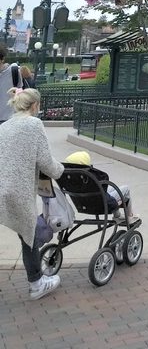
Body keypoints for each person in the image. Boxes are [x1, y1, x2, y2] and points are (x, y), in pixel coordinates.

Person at [0, 87, 65, 300]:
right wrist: (60, 171)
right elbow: (46, 162)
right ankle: (37, 283)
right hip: (18, 191)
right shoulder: (34, 124)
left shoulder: (4, 126)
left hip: (1, 187)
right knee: (27, 235)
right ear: (35, 105)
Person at [0, 49, 24, 123]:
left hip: (10, 118)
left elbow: (20, 91)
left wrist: (16, 93)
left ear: (2, 59)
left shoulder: (14, 71)